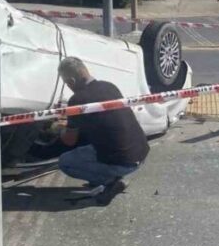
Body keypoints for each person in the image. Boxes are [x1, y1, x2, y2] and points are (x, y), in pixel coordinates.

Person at [54, 57, 149, 198]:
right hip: (140, 153)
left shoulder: (77, 101)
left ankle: (109, 181)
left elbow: (69, 140)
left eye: (67, 83)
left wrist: (58, 128)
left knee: (65, 162)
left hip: (123, 162)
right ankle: (110, 174)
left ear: (71, 81)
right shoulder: (109, 86)